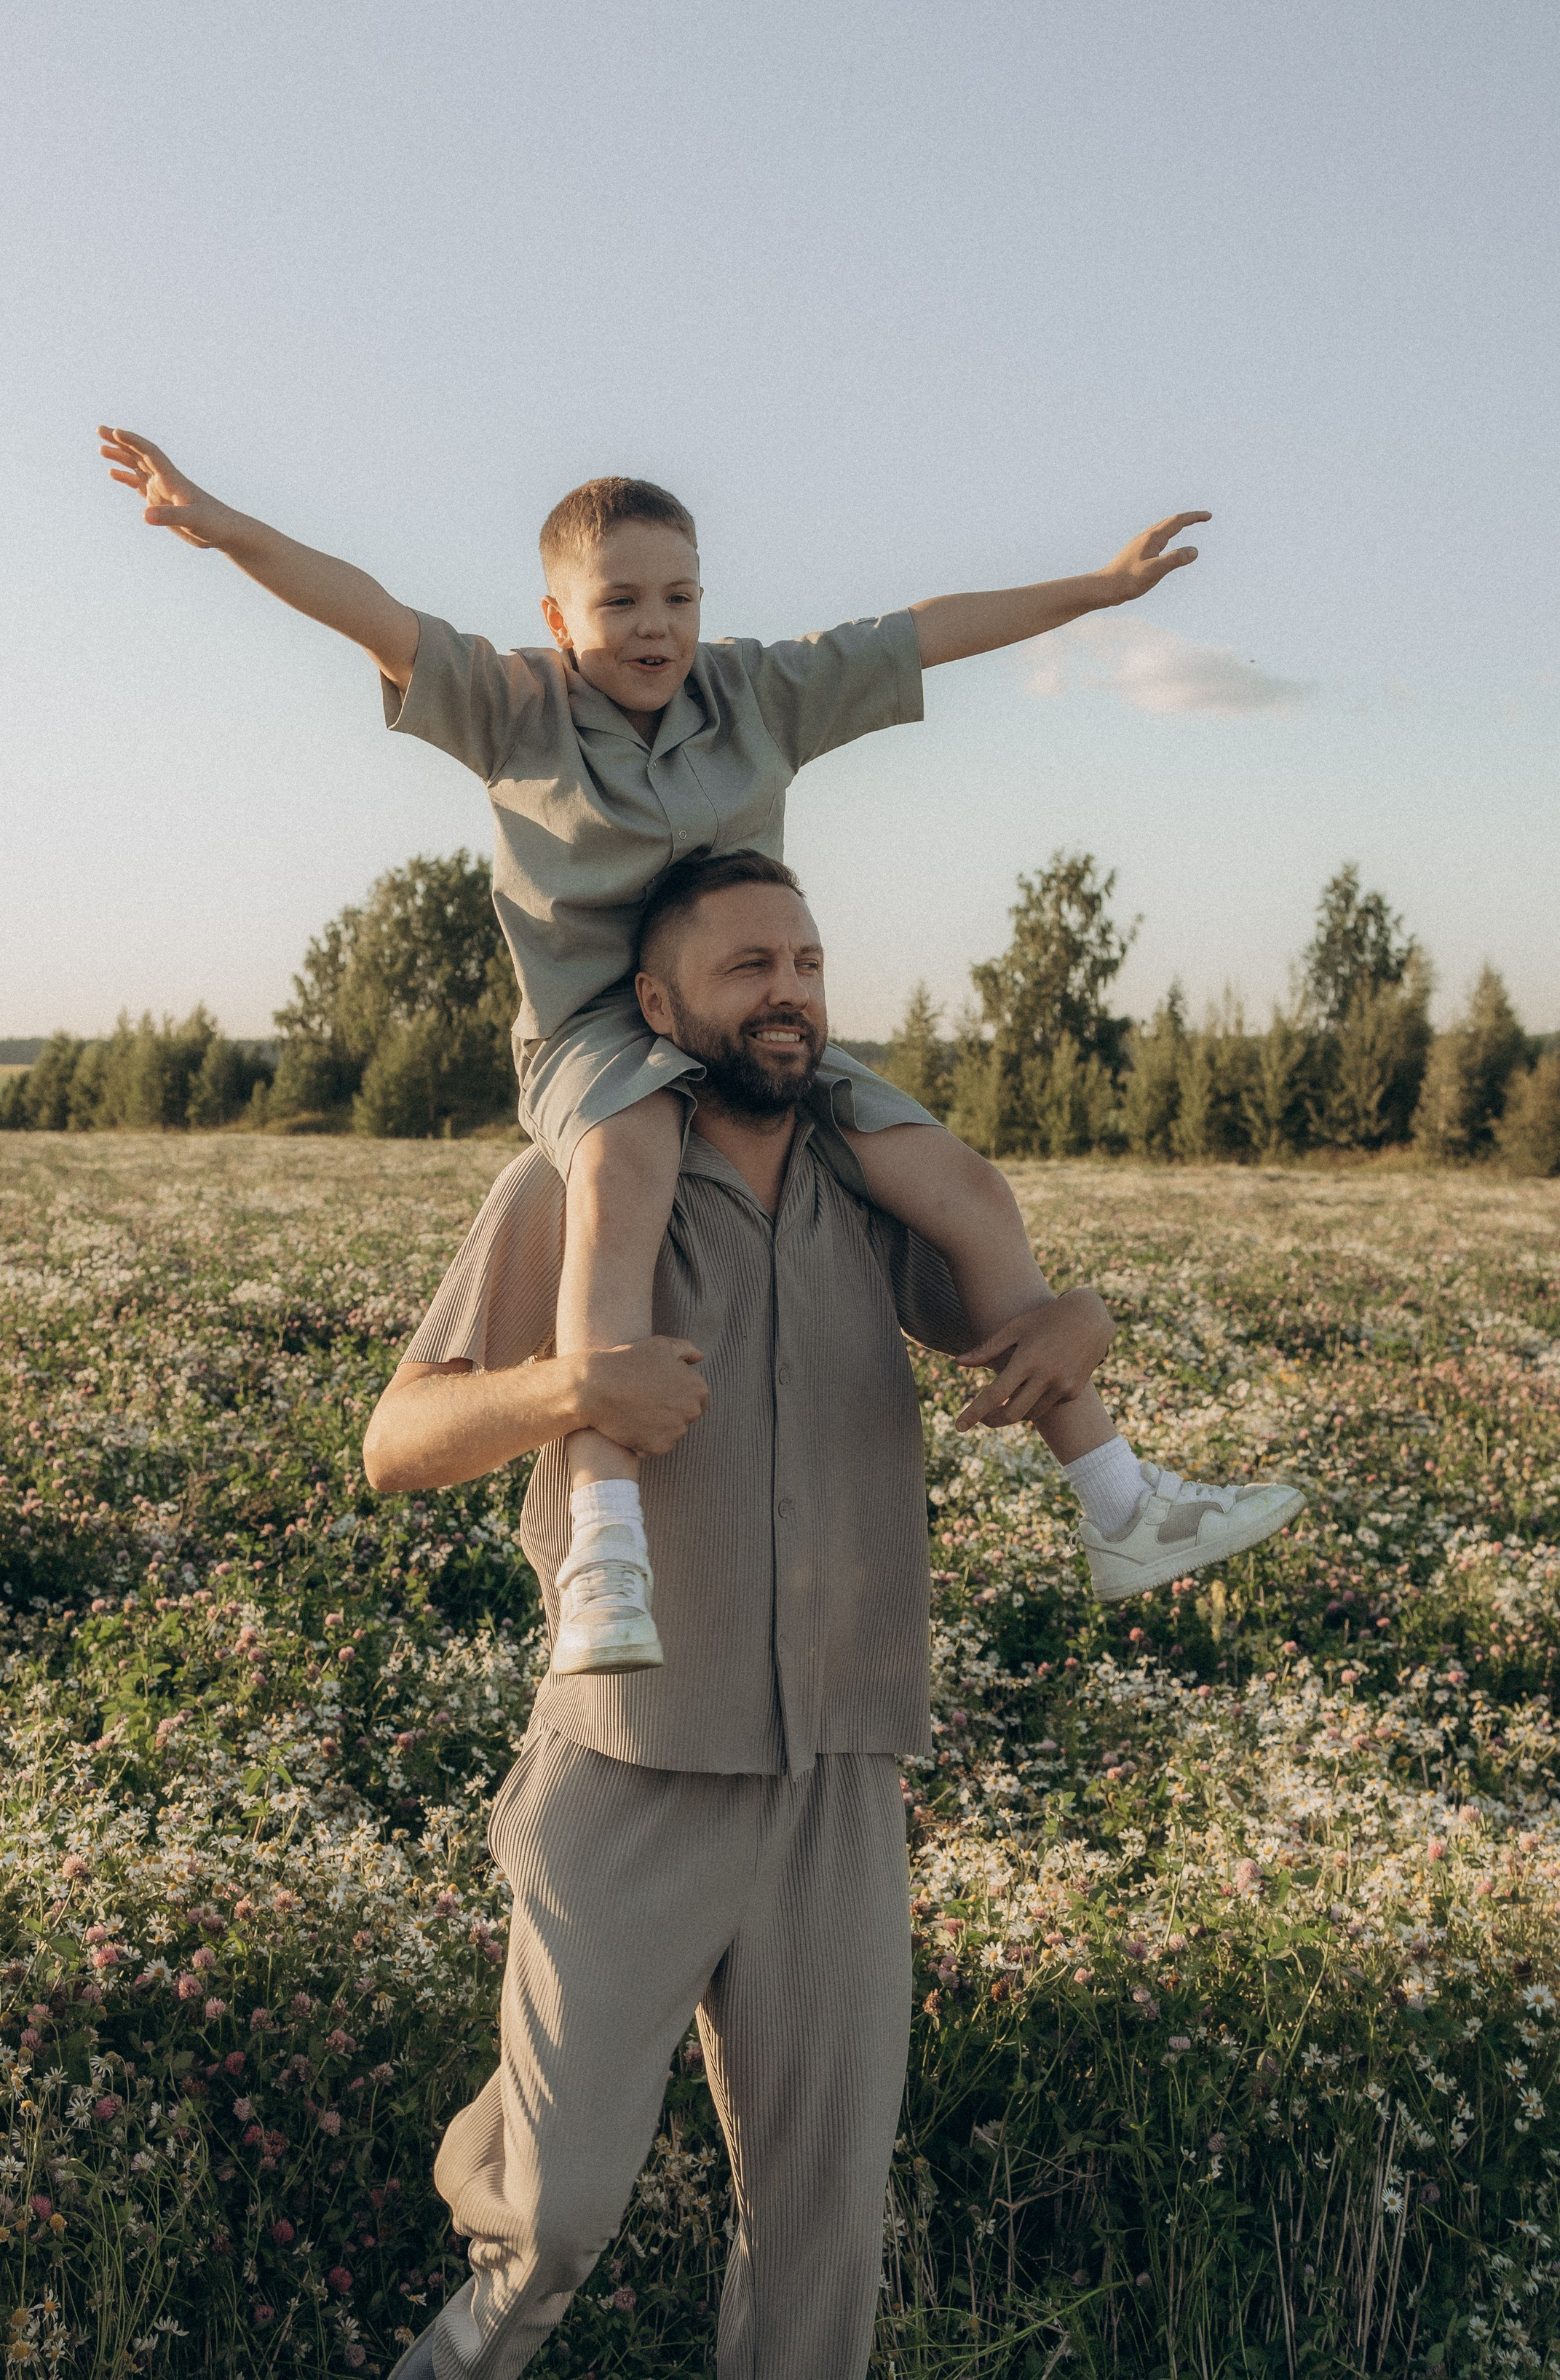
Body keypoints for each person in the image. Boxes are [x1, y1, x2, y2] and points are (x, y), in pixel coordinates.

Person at [101, 424, 1262, 1667]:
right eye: (620, 602)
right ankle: (605, 1558)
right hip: (599, 1040)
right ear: (558, 616)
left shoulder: (759, 692)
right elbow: (371, 610)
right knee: (623, 1177)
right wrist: (219, 527)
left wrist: (1102, 589)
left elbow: (927, 628)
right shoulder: (513, 707)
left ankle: (1123, 1503)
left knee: (966, 1189)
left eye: (679, 597)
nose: (655, 627)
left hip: (748, 1016)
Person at [357, 853, 1302, 2380]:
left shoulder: (870, 1183)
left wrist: (1078, 1320)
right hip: (630, 1766)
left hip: (840, 1776)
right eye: (746, 969)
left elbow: (1014, 1317)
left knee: (819, 2242)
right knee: (554, 2214)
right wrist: (565, 1389)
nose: (787, 993)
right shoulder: (571, 1182)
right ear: (656, 1007)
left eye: (804, 962)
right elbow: (393, 1440)